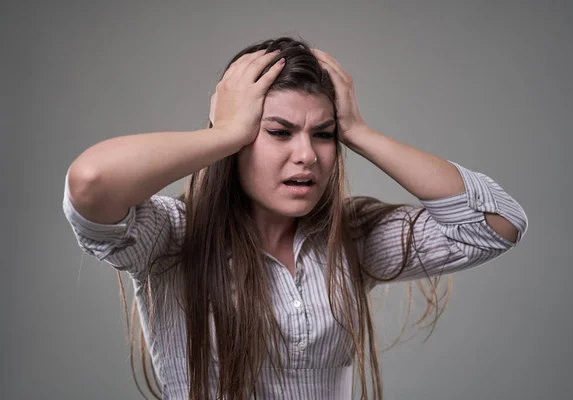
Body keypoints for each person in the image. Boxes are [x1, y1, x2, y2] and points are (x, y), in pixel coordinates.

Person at [62, 36, 528, 400]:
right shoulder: (174, 236)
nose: (306, 155)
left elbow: (496, 223)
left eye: (322, 135)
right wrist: (226, 132)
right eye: (279, 132)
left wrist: (359, 132)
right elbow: (91, 182)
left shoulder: (350, 239)